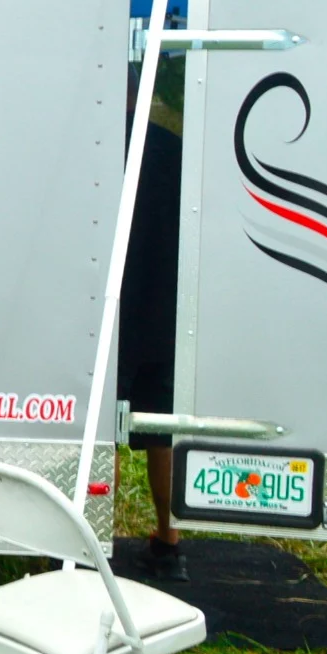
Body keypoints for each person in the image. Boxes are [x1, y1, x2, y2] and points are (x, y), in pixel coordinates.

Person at [118, 64, 187, 581]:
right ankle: (168, 536)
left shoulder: (96, 147)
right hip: (164, 305)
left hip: (112, 307)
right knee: (159, 426)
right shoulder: (174, 150)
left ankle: (94, 537)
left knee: (104, 426)